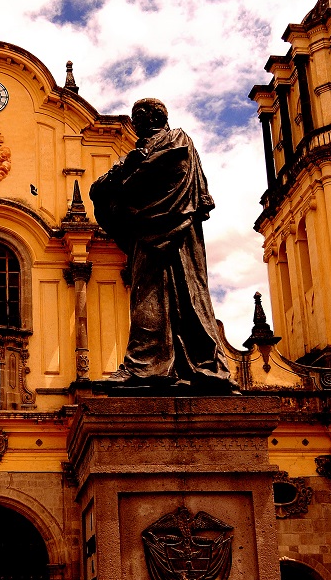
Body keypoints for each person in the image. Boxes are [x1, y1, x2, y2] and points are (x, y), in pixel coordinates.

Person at [89, 98, 232, 390]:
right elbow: (98, 189)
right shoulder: (134, 154)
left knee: (185, 296)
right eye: (135, 116)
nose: (138, 121)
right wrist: (125, 170)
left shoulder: (177, 139)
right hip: (146, 234)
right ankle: (146, 366)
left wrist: (130, 181)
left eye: (142, 114)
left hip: (176, 231)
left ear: (159, 116)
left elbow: (164, 169)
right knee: (147, 298)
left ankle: (189, 365)